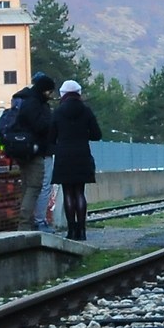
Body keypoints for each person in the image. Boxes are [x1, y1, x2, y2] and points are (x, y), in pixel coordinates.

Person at [0, 71, 59, 233]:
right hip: (33, 151)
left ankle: (26, 222)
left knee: (27, 186)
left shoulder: (25, 100)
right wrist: (52, 123)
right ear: (44, 90)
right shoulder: (34, 104)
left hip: (22, 150)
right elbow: (40, 126)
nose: (50, 94)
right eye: (49, 91)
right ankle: (26, 223)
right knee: (35, 186)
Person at [49, 80, 101, 240]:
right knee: (80, 192)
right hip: (82, 154)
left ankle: (71, 230)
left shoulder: (57, 112)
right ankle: (82, 230)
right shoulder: (86, 111)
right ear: (79, 93)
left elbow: (51, 136)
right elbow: (97, 135)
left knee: (68, 193)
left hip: (64, 155)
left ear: (62, 94)